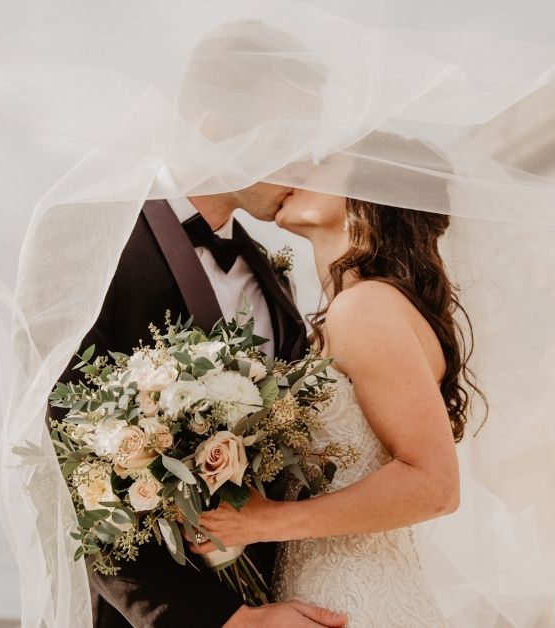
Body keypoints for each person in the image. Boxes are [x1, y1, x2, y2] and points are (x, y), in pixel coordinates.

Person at [49, 20, 345, 628]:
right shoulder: (89, 241)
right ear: (215, 131)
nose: (308, 160)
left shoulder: (275, 280)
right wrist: (225, 620)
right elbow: (67, 463)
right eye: (289, 137)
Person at [193, 136, 475, 627]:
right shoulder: (352, 310)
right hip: (324, 589)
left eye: (322, 164)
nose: (298, 168)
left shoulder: (365, 308)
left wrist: (264, 522)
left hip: (356, 599)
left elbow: (435, 485)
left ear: (367, 194)